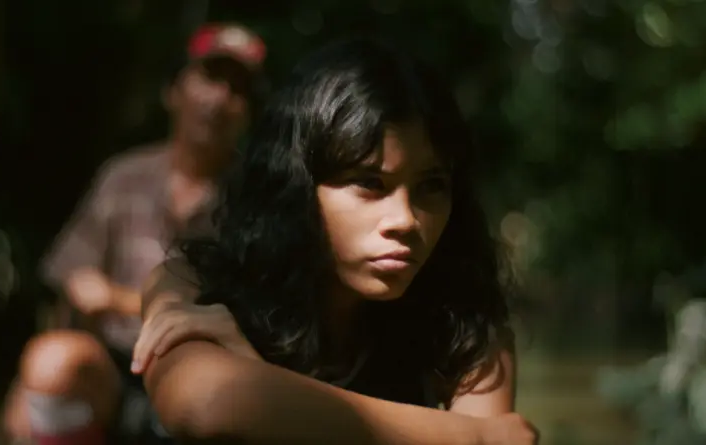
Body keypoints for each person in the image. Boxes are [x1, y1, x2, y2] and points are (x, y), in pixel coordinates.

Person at [132, 37, 538, 445]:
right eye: (369, 183)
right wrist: (473, 437)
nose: (406, 220)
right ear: (298, 189)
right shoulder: (189, 281)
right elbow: (207, 404)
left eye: (432, 186)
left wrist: (256, 375)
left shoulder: (464, 321)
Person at [1, 23, 267, 445]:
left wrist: (118, 300)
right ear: (173, 91)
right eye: (210, 79)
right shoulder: (123, 176)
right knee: (52, 362)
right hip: (114, 369)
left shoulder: (259, 198)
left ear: (248, 111)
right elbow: (69, 293)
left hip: (201, 368)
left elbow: (256, 316)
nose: (220, 99)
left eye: (238, 90)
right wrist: (25, 385)